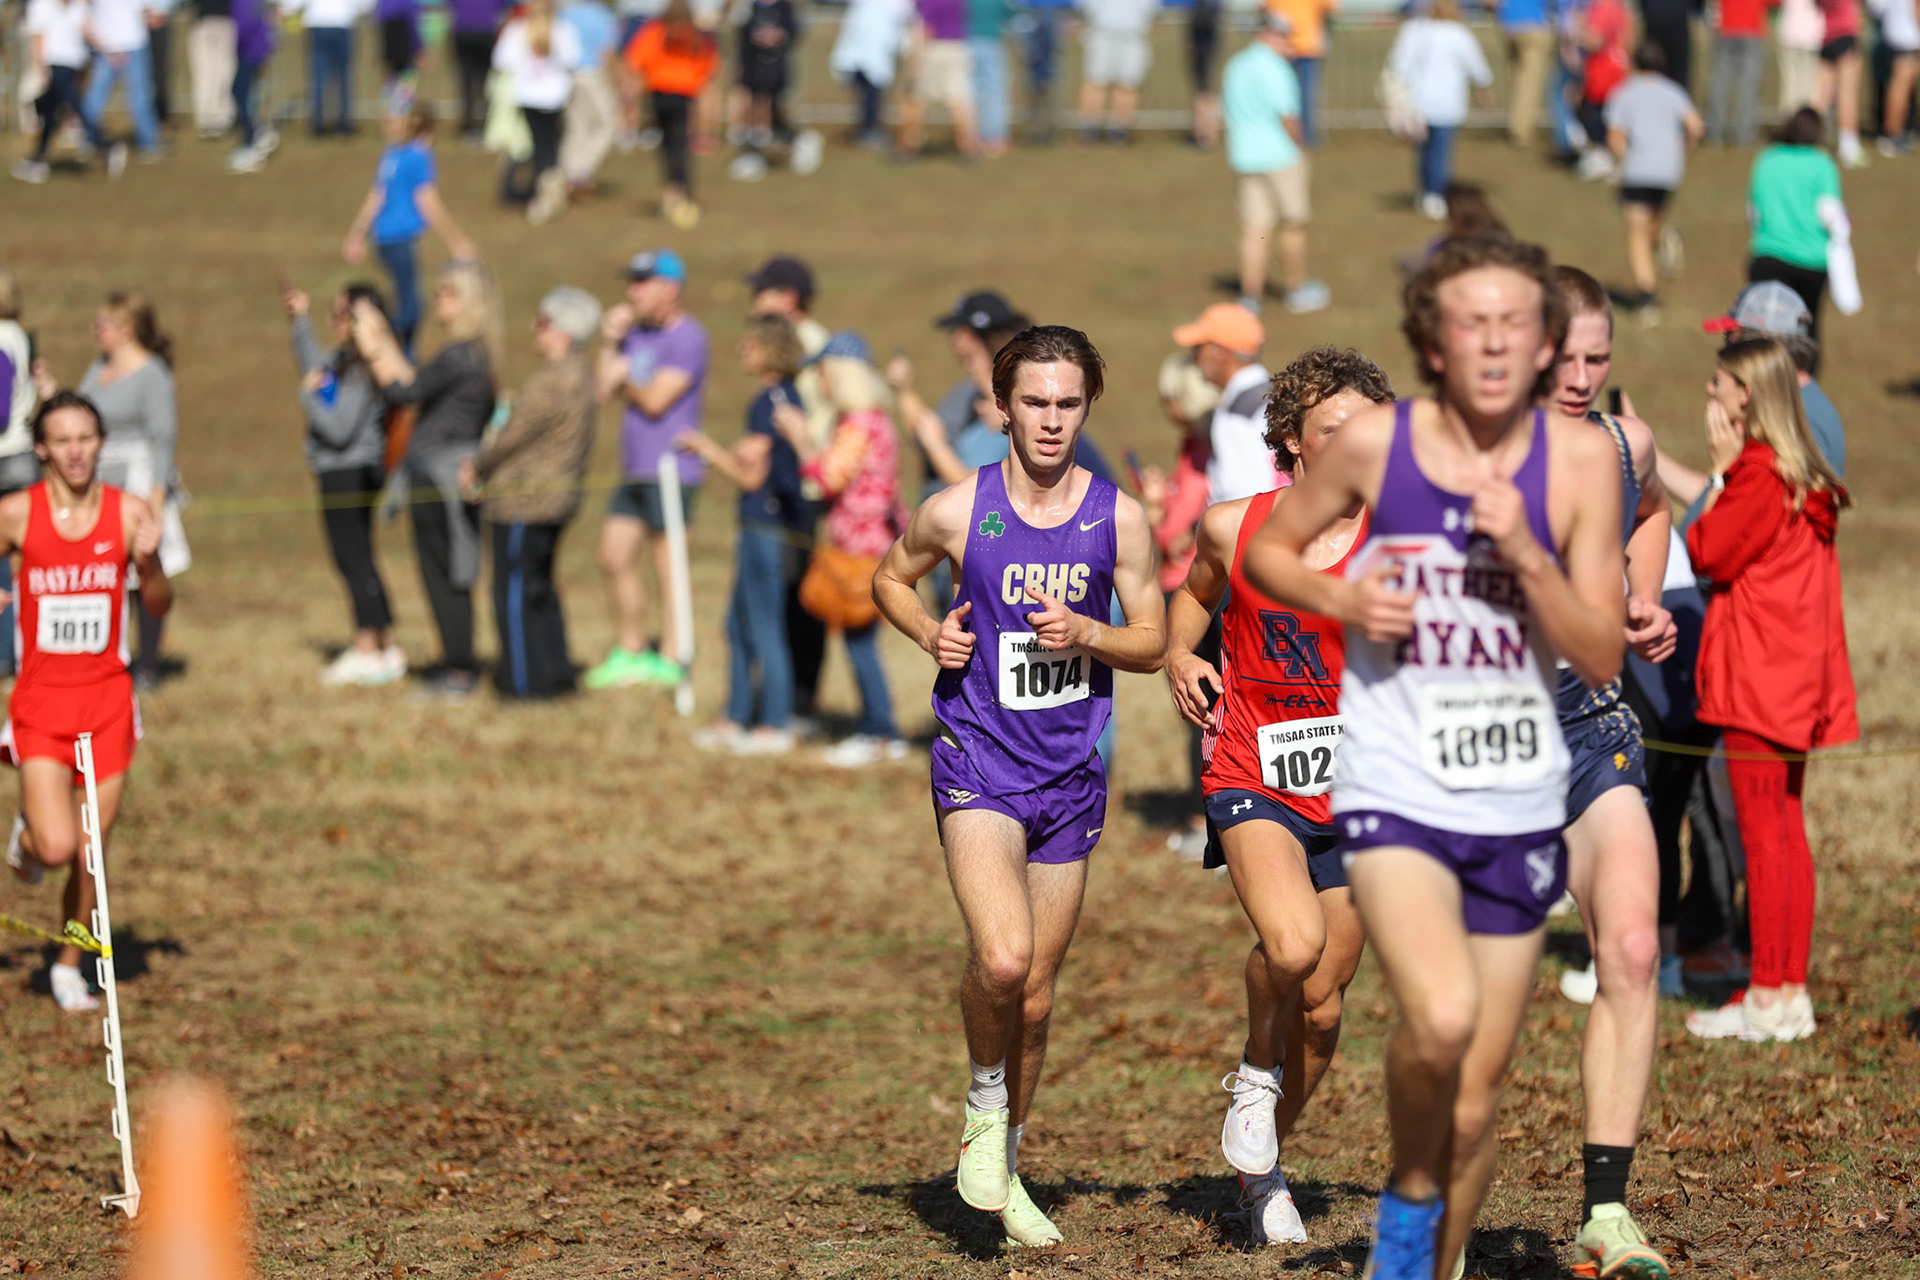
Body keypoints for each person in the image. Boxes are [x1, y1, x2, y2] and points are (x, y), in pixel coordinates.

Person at [1242, 233, 1628, 1280]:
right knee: (1443, 1016)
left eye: (1516, 323)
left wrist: (1532, 558)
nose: (1496, 343)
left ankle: (1422, 1239)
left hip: (1513, 793)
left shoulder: (1585, 460)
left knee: (1476, 1090)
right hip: (1396, 788)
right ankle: (1410, 1226)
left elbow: (1598, 648)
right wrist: (1342, 594)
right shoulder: (1378, 448)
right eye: (1472, 322)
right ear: (1431, 340)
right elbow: (1270, 549)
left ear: (1545, 339)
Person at [872, 325, 1164, 1248]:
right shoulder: (957, 509)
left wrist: (1089, 635)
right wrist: (929, 635)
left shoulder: (1118, 519)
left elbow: (1153, 641)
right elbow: (889, 577)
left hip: (1072, 776)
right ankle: (984, 1104)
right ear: (1002, 405)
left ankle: (1008, 1158)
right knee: (1001, 960)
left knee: (1036, 994)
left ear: (1088, 406)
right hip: (978, 760)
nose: (1049, 420)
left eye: (1067, 403)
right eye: (1033, 402)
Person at [1163, 345, 1391, 1245]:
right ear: (1292, 440)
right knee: (1292, 948)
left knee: (1328, 1001)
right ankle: (1257, 1074)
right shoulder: (1233, 526)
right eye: (1336, 431)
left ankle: (1264, 1174)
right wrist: (1185, 653)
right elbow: (1194, 599)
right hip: (1255, 769)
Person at [1539, 265, 1682, 1280]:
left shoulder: (1625, 441)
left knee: (1632, 942)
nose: (1583, 375)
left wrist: (1642, 593)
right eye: (1566, 357)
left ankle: (1606, 1208)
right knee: (1469, 1002)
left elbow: (1652, 503)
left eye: (1600, 356)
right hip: (1483, 738)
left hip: (1591, 723)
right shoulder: (1467, 451)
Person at [1681, 337, 1856, 1042]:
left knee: (1765, 835)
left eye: (1720, 384)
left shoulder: (1756, 475)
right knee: (1784, 832)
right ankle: (1786, 990)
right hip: (1793, 676)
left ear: (1748, 396)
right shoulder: (1801, 472)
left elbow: (1707, 550)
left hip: (1758, 679)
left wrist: (1720, 474)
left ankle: (1767, 995)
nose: (1710, 395)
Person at [1, 391, 171, 1012]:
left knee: (91, 853)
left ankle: (70, 961)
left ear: (101, 443)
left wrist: (149, 566)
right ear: (41, 448)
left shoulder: (129, 515)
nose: (75, 451)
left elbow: (157, 605)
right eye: (62, 440)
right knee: (57, 848)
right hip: (42, 703)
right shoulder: (18, 513)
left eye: (86, 438)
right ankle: (29, 835)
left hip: (107, 704)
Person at [354, 261, 501, 700]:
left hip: (439, 481)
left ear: (468, 301)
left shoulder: (460, 356)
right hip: (440, 478)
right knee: (445, 572)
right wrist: (382, 341)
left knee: (446, 575)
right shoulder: (470, 354)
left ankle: (458, 669)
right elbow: (413, 382)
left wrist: (374, 344)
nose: (436, 299)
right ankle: (456, 662)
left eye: (446, 292)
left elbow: (404, 391)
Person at [774, 333, 908, 766]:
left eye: (824, 372)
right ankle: (877, 727)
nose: (820, 382)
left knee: (859, 641)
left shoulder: (858, 424)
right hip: (876, 544)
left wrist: (800, 439)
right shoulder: (880, 421)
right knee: (859, 639)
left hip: (859, 549)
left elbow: (829, 477)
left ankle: (880, 730)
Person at [678, 316, 810, 753]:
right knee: (736, 626)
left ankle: (773, 723)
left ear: (769, 348)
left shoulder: (768, 402)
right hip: (771, 528)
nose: (741, 350)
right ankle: (735, 716)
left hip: (764, 527)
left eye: (749, 343)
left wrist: (707, 451)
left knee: (764, 626)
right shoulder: (788, 397)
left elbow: (751, 478)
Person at [467, 287, 601, 700]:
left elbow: (511, 436)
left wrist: (477, 466)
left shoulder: (552, 380)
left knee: (514, 594)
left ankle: (523, 684)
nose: (535, 331)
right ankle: (556, 674)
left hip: (525, 503)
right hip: (555, 500)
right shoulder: (580, 375)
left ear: (564, 331)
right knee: (540, 590)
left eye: (543, 323)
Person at [589, 249, 709, 690]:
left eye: (643, 282)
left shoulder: (688, 336)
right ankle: (631, 649)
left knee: (667, 565)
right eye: (631, 282)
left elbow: (658, 400)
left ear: (670, 288)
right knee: (612, 554)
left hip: (673, 469)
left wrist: (624, 377)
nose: (632, 291)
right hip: (635, 469)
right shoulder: (633, 335)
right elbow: (602, 390)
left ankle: (674, 656)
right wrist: (609, 344)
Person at [284, 279, 405, 687]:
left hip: (349, 470)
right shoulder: (342, 360)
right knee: (355, 557)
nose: (334, 322)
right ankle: (384, 644)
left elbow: (338, 427)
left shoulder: (365, 367)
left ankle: (368, 645)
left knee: (354, 559)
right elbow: (314, 367)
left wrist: (306, 399)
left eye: (341, 314)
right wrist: (299, 321)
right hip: (340, 470)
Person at [65, 292, 178, 690]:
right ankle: (111, 657)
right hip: (102, 478)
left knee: (145, 571)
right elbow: (79, 412)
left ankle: (148, 663)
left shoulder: (152, 373)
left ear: (126, 330)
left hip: (141, 479)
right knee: (106, 570)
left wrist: (158, 498)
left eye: (103, 324)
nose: (96, 331)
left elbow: (163, 437)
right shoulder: (99, 368)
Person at [342, 102, 478, 357]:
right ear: (429, 131)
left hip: (383, 240)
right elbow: (428, 202)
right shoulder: (419, 156)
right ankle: (373, 347)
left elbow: (376, 197)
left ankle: (406, 361)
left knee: (407, 304)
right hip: (401, 239)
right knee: (411, 310)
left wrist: (356, 234)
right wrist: (456, 241)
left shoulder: (391, 155)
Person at [1222, 13, 1328, 315]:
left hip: (1245, 157)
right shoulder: (1278, 69)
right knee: (1293, 225)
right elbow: (1288, 116)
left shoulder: (1236, 65)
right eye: (1283, 36)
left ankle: (1250, 296)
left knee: (1255, 229)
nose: (1289, 42)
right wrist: (1303, 146)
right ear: (1268, 34)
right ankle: (1296, 289)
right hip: (1280, 157)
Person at [1699, 281, 1845, 470]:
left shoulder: (1800, 417)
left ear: (1763, 346)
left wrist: (1722, 469)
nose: (1725, 352)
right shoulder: (1782, 401)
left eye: (1730, 339)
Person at [1606, 43, 1703, 322]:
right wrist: (1682, 152)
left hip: (1638, 170)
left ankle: (1647, 297)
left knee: (1636, 231)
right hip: (1669, 172)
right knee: (1650, 224)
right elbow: (1696, 126)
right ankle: (1665, 238)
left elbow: (1615, 138)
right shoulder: (1674, 91)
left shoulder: (1624, 92)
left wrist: (1623, 162)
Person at [1745, 107, 1847, 339]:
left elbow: (1752, 213)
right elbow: (1830, 214)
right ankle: (1803, 374)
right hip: (1811, 261)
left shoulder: (1767, 159)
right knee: (1806, 328)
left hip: (1767, 256)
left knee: (1765, 331)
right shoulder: (1822, 163)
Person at [1387, 0, 1493, 221]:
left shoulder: (1415, 30)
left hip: (1418, 103)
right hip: (1447, 103)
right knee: (1440, 150)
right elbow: (1476, 65)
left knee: (1424, 150)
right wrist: (1483, 89)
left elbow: (1399, 64)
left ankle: (1426, 191)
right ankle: (1435, 193)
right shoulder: (1458, 33)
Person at [624, 0, 719, 228]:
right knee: (680, 144)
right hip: (683, 94)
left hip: (660, 94)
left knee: (668, 145)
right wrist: (694, 80)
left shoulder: (655, 30)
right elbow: (709, 63)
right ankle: (681, 191)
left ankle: (673, 192)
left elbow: (636, 59)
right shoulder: (696, 34)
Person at [1174, 304, 1280, 505]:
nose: (1194, 358)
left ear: (1221, 353)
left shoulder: (1237, 413)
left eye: (1198, 348)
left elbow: (1241, 498)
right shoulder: (1273, 394)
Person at [493, 0, 584, 221]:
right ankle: (547, 194)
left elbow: (501, 61)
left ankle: (546, 191)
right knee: (550, 145)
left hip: (528, 96)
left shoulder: (516, 30)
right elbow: (574, 60)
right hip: (554, 96)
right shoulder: (563, 30)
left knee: (539, 144)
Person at [0, 273, 39, 677]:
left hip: (5, 459)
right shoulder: (17, 335)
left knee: (5, 564)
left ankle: (6, 654)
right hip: (21, 454)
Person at [11, 0, 91, 184]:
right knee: (50, 110)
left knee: (66, 105)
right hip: (66, 61)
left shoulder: (45, 5)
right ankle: (39, 159)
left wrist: (39, 65)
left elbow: (39, 34)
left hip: (56, 62)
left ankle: (101, 141)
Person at [81, 0, 165, 170]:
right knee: (96, 98)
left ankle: (149, 143)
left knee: (139, 98)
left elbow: (152, 11)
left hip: (131, 44)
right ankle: (90, 140)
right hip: (108, 46)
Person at [899, 0, 979, 159]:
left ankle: (909, 148)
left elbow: (924, 27)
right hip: (958, 47)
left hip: (933, 49)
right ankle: (968, 148)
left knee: (914, 99)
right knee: (959, 99)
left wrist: (915, 62)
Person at [560, 0, 622, 195]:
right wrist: (617, 78)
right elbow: (607, 51)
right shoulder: (602, 15)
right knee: (608, 124)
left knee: (577, 127)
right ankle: (579, 172)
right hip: (591, 75)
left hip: (568, 75)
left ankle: (567, 171)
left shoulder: (566, 14)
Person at [831, 0, 910, 148]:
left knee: (869, 94)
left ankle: (867, 129)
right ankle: (867, 130)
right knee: (870, 94)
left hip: (871, 52)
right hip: (865, 52)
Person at [1077, 0, 1156, 142]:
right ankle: (1090, 127)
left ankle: (1120, 128)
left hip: (1133, 35)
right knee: (1096, 81)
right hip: (1102, 33)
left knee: (1128, 83)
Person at [222, 0, 281, 173]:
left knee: (241, 92)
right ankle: (256, 134)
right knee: (242, 93)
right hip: (252, 49)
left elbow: (245, 24)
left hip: (251, 51)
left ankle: (252, 142)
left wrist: (238, 45)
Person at [1269, 0, 1335, 147]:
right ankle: (1306, 136)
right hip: (1307, 45)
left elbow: (1266, 8)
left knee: (1282, 94)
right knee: (1305, 94)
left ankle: (1286, 135)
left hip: (1282, 46)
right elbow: (1331, 8)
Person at [1704, 0, 1766, 145]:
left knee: (1719, 83)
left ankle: (1715, 132)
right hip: (1751, 28)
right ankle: (1744, 134)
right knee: (1748, 86)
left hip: (1726, 27)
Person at [299, 0, 365, 138]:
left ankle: (317, 123)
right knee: (344, 77)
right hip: (342, 22)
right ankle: (344, 124)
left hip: (318, 22)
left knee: (319, 76)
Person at [1816, 0, 1868, 166]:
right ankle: (1849, 148)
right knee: (1848, 94)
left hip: (1826, 37)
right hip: (1844, 34)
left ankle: (1812, 143)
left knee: (1822, 97)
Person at [1499, 0, 1556, 146]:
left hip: (1509, 28)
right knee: (1529, 84)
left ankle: (1513, 124)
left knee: (1514, 80)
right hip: (1533, 28)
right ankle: (1520, 131)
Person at [451, 0, 506, 142]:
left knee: (466, 80)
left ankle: (470, 123)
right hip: (485, 32)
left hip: (463, 32)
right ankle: (487, 123)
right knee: (486, 81)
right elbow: (503, 6)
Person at [1869, 0, 1918, 153]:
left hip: (1896, 36)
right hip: (1906, 39)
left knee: (1899, 88)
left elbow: (1878, 8)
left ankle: (1895, 132)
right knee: (1899, 89)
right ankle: (1892, 134)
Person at [968, 0, 1013, 156]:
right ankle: (995, 136)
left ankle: (974, 136)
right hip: (992, 42)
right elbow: (1011, 14)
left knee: (972, 92)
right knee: (995, 92)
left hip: (968, 43)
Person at [188, 0, 236, 138]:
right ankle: (220, 118)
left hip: (204, 22)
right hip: (225, 23)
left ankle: (205, 119)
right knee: (223, 74)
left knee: (204, 75)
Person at [1776, 0, 1825, 112]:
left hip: (1789, 33)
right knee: (1808, 91)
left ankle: (1790, 125)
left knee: (1790, 89)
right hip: (1810, 36)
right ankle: (1804, 126)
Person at [1187, 0, 1222, 148]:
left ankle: (1207, 134)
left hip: (1205, 46)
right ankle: (1202, 132)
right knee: (1203, 90)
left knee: (1205, 91)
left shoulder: (1210, 4)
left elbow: (1204, 22)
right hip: (1203, 45)